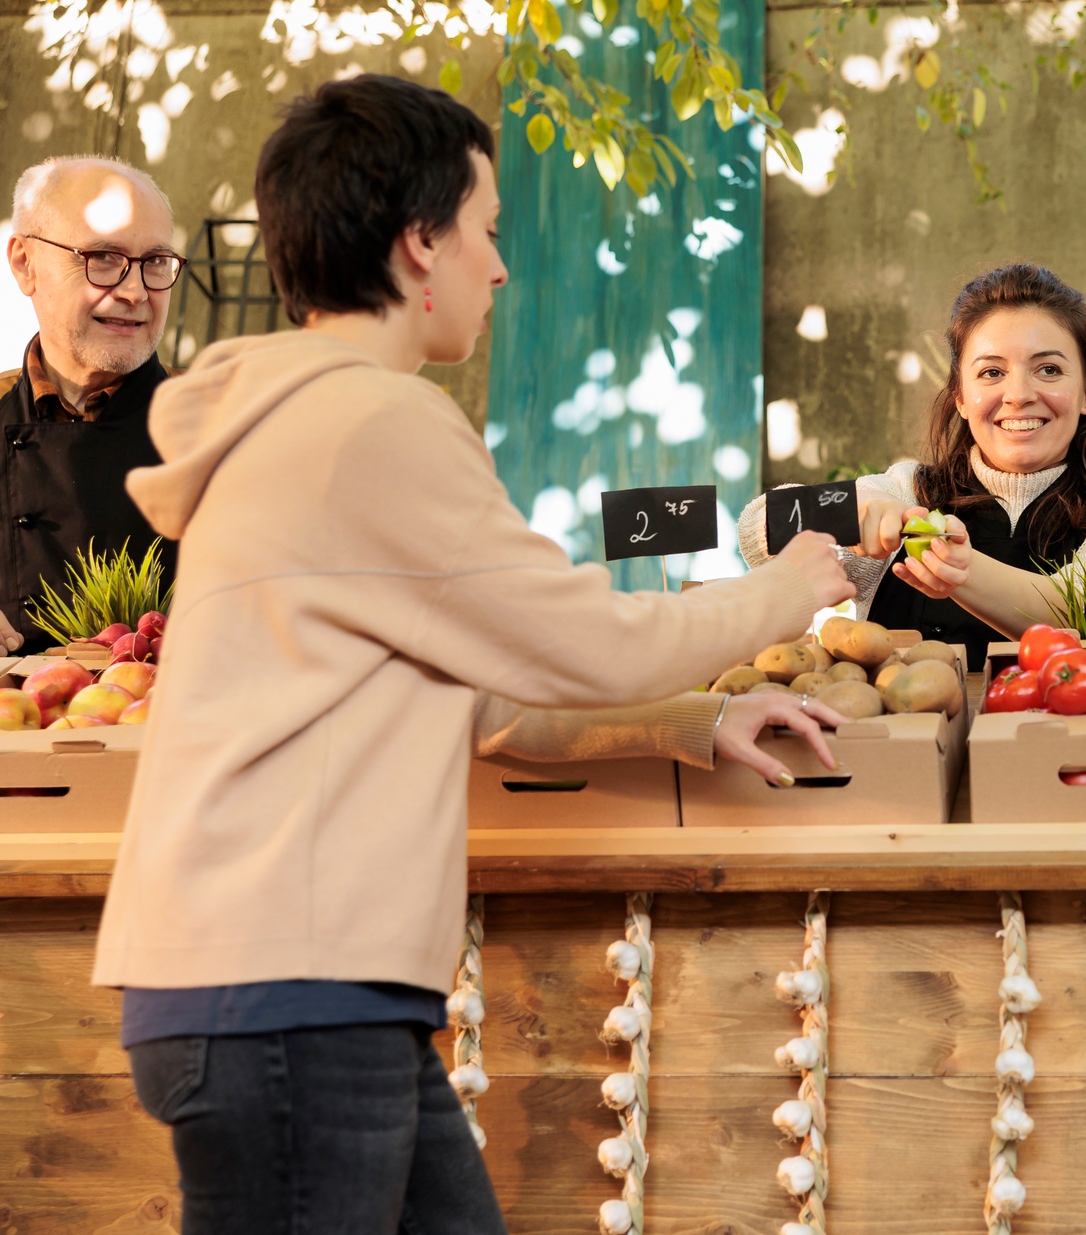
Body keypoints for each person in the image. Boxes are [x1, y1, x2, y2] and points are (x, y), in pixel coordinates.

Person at [89, 73, 856, 1234]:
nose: (499, 269)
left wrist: (695, 723)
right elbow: (584, 639)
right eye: (487, 233)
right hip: (287, 990)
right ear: (417, 245)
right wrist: (782, 590)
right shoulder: (372, 422)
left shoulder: (298, 421)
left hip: (286, 986)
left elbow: (494, 702)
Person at [740, 264, 1086, 668]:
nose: (1018, 394)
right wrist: (854, 506)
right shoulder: (910, 489)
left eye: (1049, 369)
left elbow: (1085, 614)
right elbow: (761, 527)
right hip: (906, 742)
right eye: (991, 372)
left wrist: (963, 571)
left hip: (1062, 743)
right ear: (961, 398)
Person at [1, 157, 186, 654]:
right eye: (102, 258)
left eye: (155, 262)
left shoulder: (223, 427)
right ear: (24, 263)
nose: (134, 291)